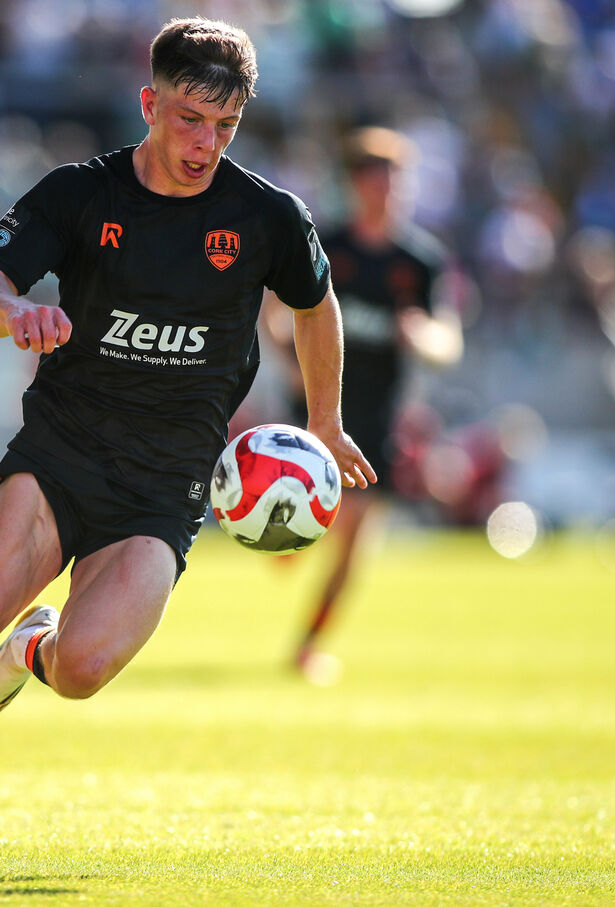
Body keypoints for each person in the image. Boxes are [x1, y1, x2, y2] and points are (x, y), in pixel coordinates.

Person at [0, 17, 376, 861]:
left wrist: (325, 422)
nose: (205, 142)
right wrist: (18, 312)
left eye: (225, 125)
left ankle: (35, 648)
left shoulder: (267, 215)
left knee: (85, 669)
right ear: (149, 103)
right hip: (60, 456)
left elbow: (318, 306)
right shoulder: (79, 194)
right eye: (188, 118)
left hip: (163, 490)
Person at [262, 126, 463, 682]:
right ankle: (288, 536)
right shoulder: (327, 247)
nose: (387, 191)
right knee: (316, 531)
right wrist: (291, 367)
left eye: (395, 180)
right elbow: (276, 311)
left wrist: (424, 337)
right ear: (354, 184)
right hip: (313, 413)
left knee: (354, 540)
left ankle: (308, 647)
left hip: (378, 418)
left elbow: (449, 339)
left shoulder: (419, 261)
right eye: (375, 179)